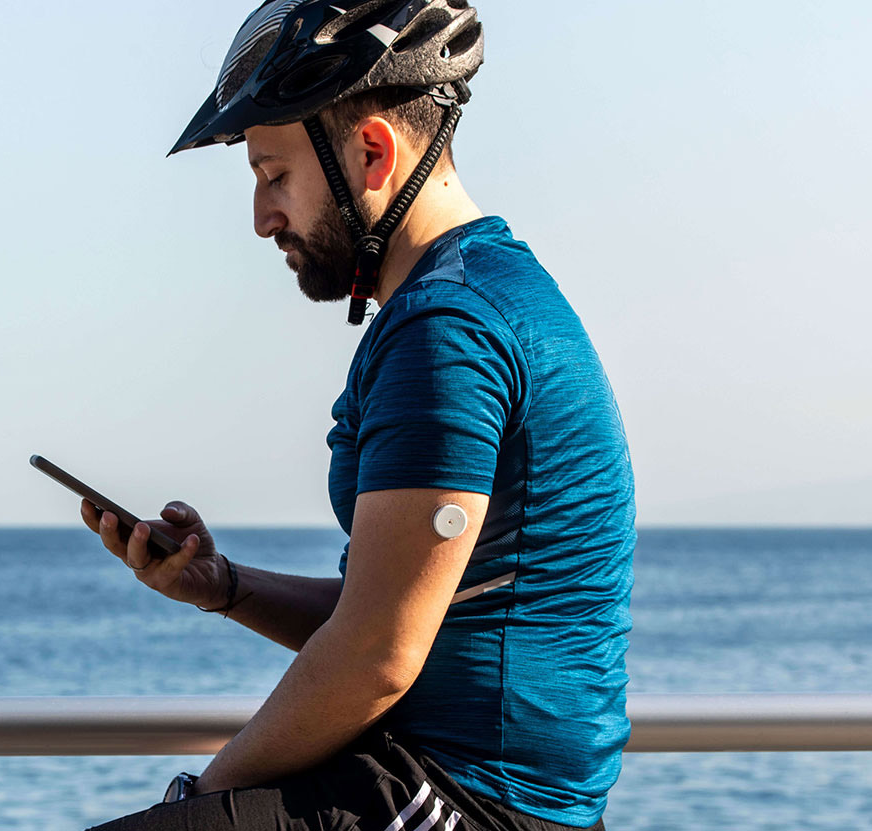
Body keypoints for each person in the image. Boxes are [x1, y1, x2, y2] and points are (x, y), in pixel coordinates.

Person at [79, 2, 635, 829]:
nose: (262, 218)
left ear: (372, 152)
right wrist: (224, 586)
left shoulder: (447, 329)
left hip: (472, 800)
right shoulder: (477, 294)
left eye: (275, 176)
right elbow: (387, 612)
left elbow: (378, 655)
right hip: (448, 785)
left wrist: (195, 797)